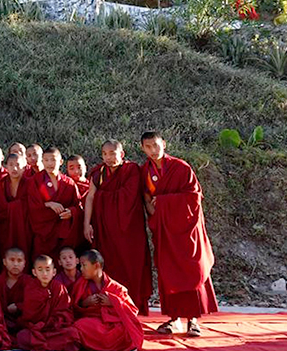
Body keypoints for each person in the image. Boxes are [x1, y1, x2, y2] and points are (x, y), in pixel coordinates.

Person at [141, 131, 217, 337]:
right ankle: (173, 319)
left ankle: (193, 320)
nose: (152, 150)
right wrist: (154, 214)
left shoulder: (180, 168)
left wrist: (164, 203)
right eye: (147, 147)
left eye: (155, 145)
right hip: (164, 229)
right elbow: (146, 197)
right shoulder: (145, 171)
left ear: (164, 144)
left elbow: (193, 197)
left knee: (191, 270)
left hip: (185, 231)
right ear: (142, 148)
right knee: (168, 272)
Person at [85, 141, 153, 315]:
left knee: (132, 267)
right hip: (104, 229)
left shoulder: (131, 171)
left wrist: (102, 196)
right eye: (105, 154)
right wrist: (87, 223)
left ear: (122, 154)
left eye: (113, 153)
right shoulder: (98, 172)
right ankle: (108, 304)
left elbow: (128, 197)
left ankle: (132, 304)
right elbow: (91, 197)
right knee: (108, 266)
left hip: (130, 231)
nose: (109, 157)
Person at [72, 249, 145, 351]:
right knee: (79, 325)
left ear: (96, 265)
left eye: (84, 265)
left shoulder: (116, 287)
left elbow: (132, 311)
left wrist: (113, 302)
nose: (81, 269)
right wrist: (85, 303)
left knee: (127, 329)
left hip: (112, 325)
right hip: (94, 323)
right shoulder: (80, 285)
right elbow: (72, 308)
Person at [16, 255, 80, 351]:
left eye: (47, 269)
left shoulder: (59, 288)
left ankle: (44, 346)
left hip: (55, 328)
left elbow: (65, 312)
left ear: (54, 272)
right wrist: (40, 325)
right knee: (22, 336)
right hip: (36, 329)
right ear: (34, 272)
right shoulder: (30, 288)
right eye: (40, 269)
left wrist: (53, 322)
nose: (44, 273)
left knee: (72, 333)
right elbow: (30, 315)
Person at [28, 147, 82, 258]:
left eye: (53, 160)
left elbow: (78, 206)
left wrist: (71, 212)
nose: (49, 164)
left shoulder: (69, 183)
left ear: (61, 162)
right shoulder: (35, 181)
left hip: (63, 234)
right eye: (46, 160)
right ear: (42, 161)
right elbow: (31, 207)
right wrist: (47, 204)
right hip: (43, 234)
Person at [0, 153, 32, 268]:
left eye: (18, 165)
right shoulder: (0, 184)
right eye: (11, 165)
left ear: (25, 167)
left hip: (24, 227)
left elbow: (33, 206)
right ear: (6, 166)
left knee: (25, 252)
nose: (14, 168)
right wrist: (13, 208)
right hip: (5, 226)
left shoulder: (30, 184)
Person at [0, 247, 30, 335]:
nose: (15, 264)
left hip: (23, 320)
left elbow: (35, 304)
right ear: (4, 262)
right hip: (2, 320)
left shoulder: (29, 281)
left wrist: (19, 306)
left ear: (24, 263)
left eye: (19, 261)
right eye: (12, 260)